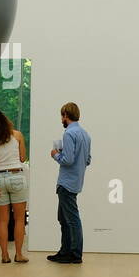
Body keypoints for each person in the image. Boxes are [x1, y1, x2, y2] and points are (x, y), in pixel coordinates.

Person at [48, 102, 92, 264]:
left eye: (62, 115)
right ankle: (65, 251)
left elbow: (67, 160)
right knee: (63, 218)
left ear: (66, 115)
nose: (61, 119)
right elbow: (87, 160)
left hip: (66, 183)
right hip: (76, 181)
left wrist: (55, 154)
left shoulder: (68, 134)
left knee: (71, 219)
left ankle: (74, 254)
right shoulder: (85, 135)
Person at [0, 109, 28, 263]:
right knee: (19, 219)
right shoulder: (17, 135)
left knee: (2, 220)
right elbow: (23, 158)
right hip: (16, 176)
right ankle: (19, 254)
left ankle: (4, 255)